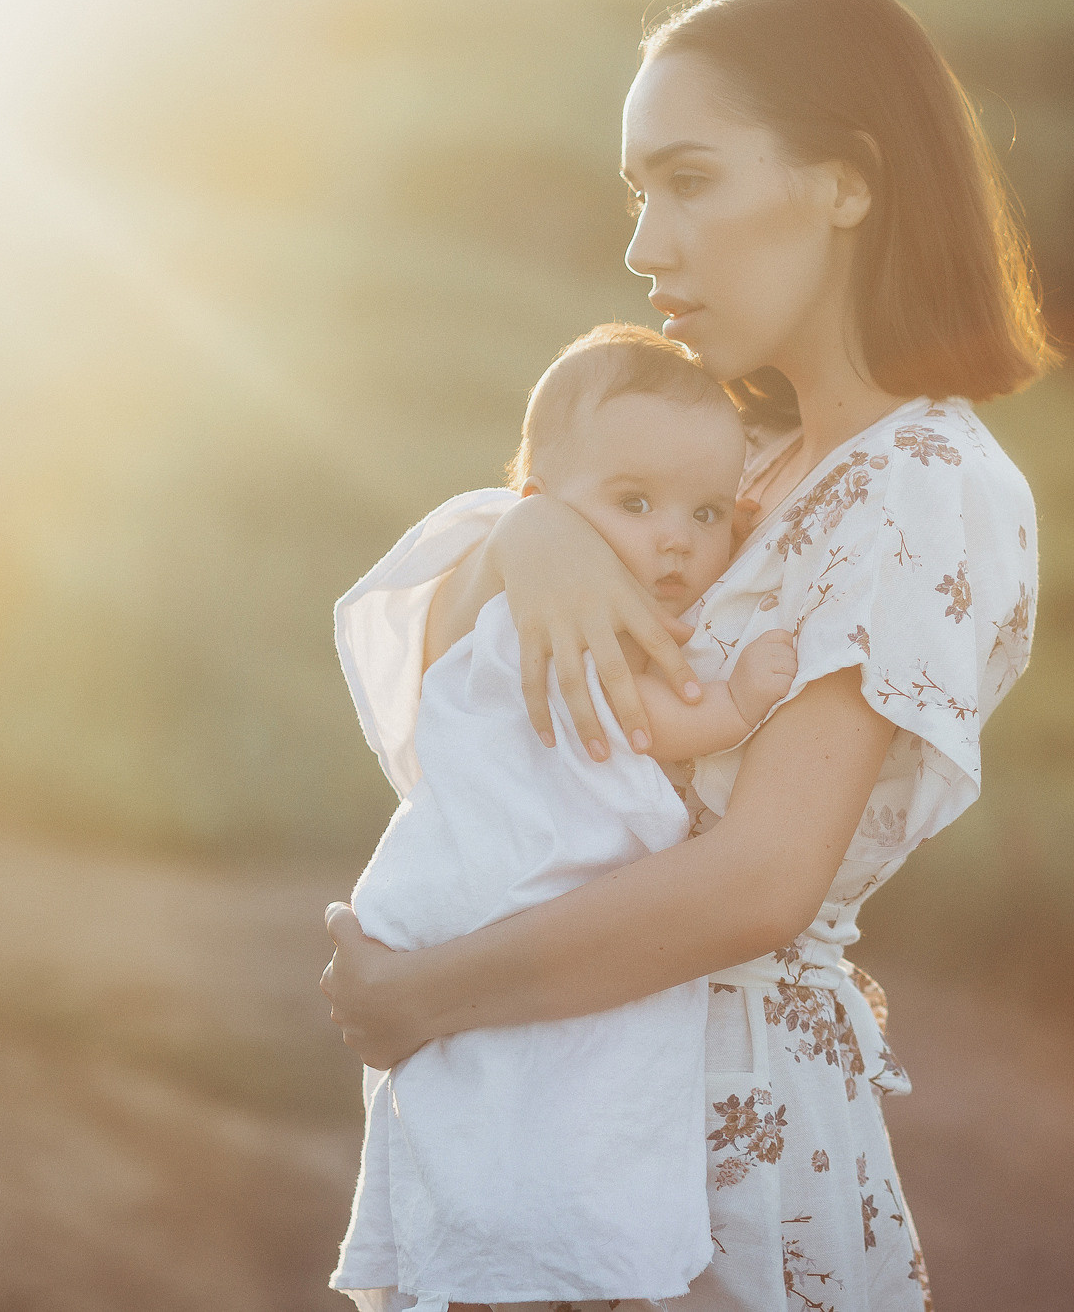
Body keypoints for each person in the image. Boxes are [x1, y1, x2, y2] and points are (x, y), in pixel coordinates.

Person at [323, 0, 1055, 1312]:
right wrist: (525, 535)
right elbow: (467, 727)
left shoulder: (927, 484)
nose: (647, 244)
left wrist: (422, 994)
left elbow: (759, 881)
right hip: (552, 1094)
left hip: (714, 1130)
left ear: (846, 182)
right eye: (636, 193)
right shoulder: (734, 466)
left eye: (690, 179)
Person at [331, 325, 798, 1311]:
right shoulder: (572, 612)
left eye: (707, 513)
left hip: (485, 909)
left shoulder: (520, 585)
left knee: (496, 1146)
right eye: (634, 504)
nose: (675, 538)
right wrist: (743, 700)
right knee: (550, 1143)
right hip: (523, 901)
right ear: (541, 499)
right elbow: (661, 720)